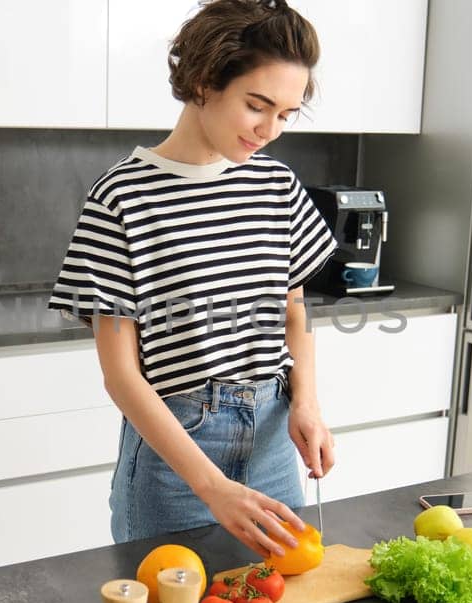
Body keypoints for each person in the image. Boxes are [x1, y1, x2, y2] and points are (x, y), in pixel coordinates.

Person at [46, 0, 337, 560]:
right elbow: (121, 378)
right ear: (205, 81)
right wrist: (212, 486)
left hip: (275, 445)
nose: (270, 130)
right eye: (257, 105)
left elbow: (293, 309)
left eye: (286, 113)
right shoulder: (121, 199)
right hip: (176, 463)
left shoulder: (276, 186)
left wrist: (307, 403)